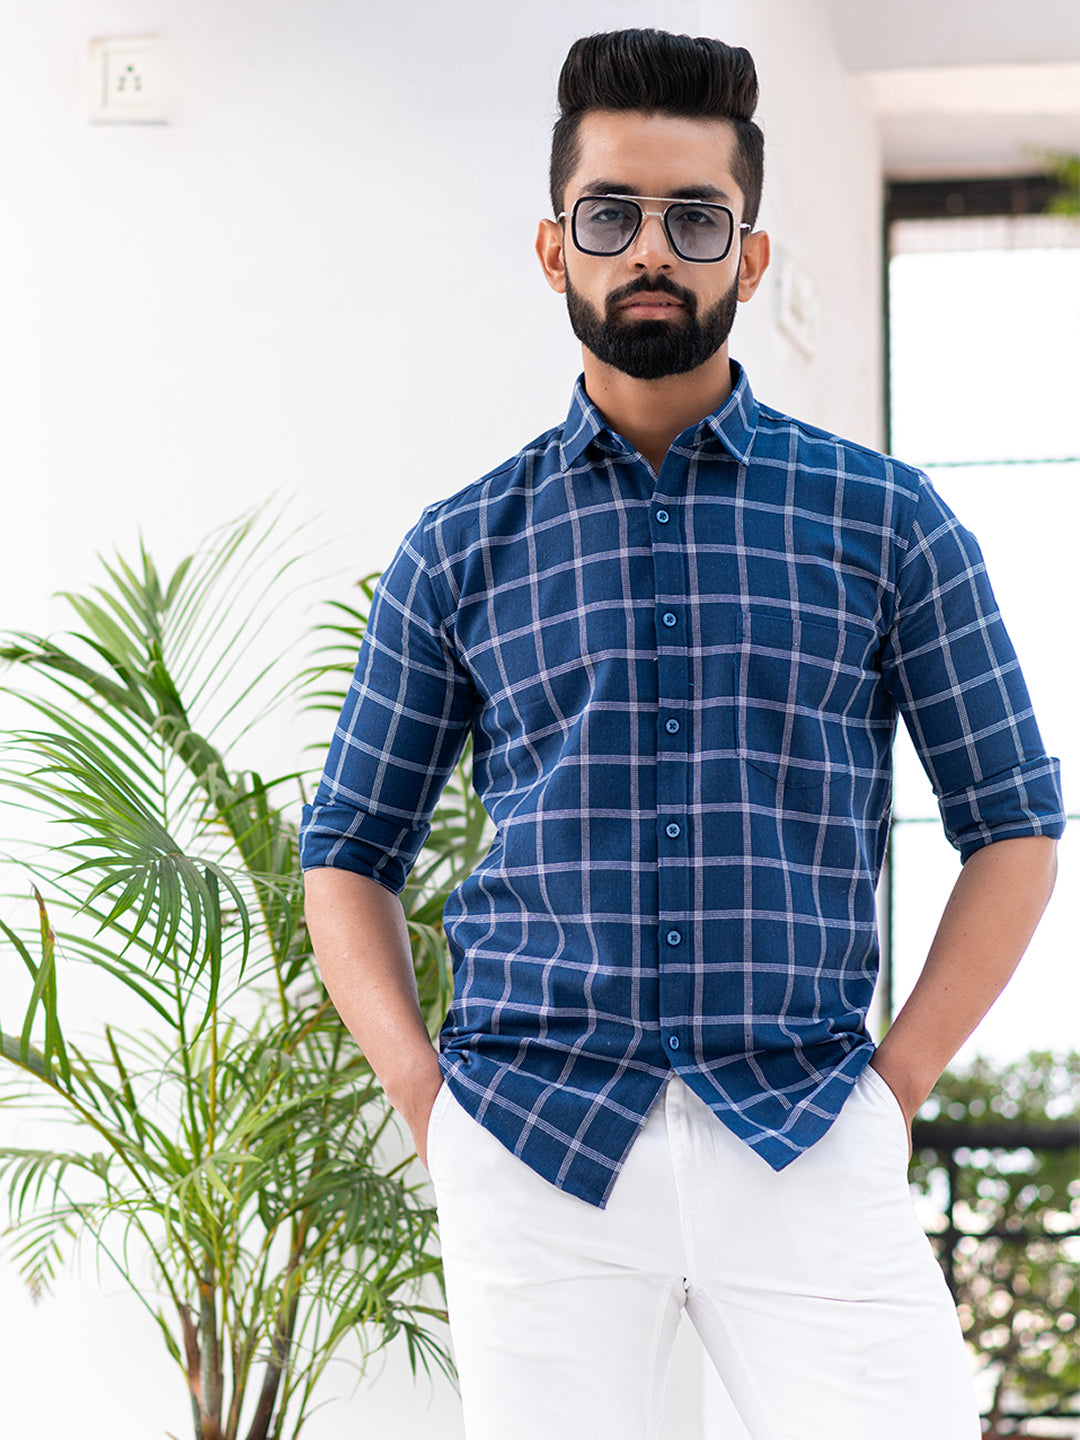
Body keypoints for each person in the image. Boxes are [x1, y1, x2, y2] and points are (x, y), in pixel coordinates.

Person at [300, 28, 1064, 1440]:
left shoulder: (888, 525)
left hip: (804, 1125)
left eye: (695, 218)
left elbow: (1014, 824)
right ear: (555, 249)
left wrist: (895, 1088)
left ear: (748, 259)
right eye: (611, 214)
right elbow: (347, 849)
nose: (651, 247)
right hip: (534, 1142)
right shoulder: (458, 549)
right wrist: (430, 1107)